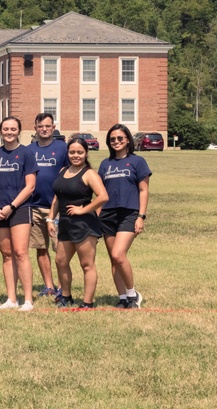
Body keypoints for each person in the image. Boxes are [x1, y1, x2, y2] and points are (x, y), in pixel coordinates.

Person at [49, 137, 108, 309]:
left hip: (84, 225)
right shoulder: (63, 170)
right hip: (65, 224)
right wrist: (50, 219)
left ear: (86, 153)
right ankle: (66, 297)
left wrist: (83, 209)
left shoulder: (89, 173)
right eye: (72, 152)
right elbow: (56, 198)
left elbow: (103, 196)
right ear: (68, 153)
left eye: (80, 152)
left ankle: (88, 303)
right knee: (60, 261)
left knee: (86, 264)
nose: (76, 155)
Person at [0, 116, 38, 311]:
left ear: (19, 131)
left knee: (21, 253)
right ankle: (11, 299)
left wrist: (12, 207)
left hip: (20, 209)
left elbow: (30, 186)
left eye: (13, 129)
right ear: (1, 131)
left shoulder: (26, 154)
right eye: (6, 129)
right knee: (7, 255)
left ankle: (27, 301)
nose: (9, 132)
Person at [98, 124, 151, 309]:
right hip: (107, 214)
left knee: (119, 255)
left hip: (129, 213)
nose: (116, 142)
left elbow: (143, 190)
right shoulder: (105, 164)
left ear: (128, 139)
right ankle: (122, 298)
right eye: (112, 139)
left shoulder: (138, 162)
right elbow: (100, 194)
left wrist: (141, 216)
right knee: (114, 259)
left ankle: (133, 294)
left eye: (120, 138)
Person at [29, 112, 68, 299]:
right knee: (41, 247)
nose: (44, 129)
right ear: (35, 128)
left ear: (53, 127)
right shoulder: (29, 150)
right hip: (34, 206)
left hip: (57, 207)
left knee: (60, 248)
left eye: (47, 126)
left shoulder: (62, 148)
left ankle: (62, 287)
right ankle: (49, 286)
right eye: (40, 126)